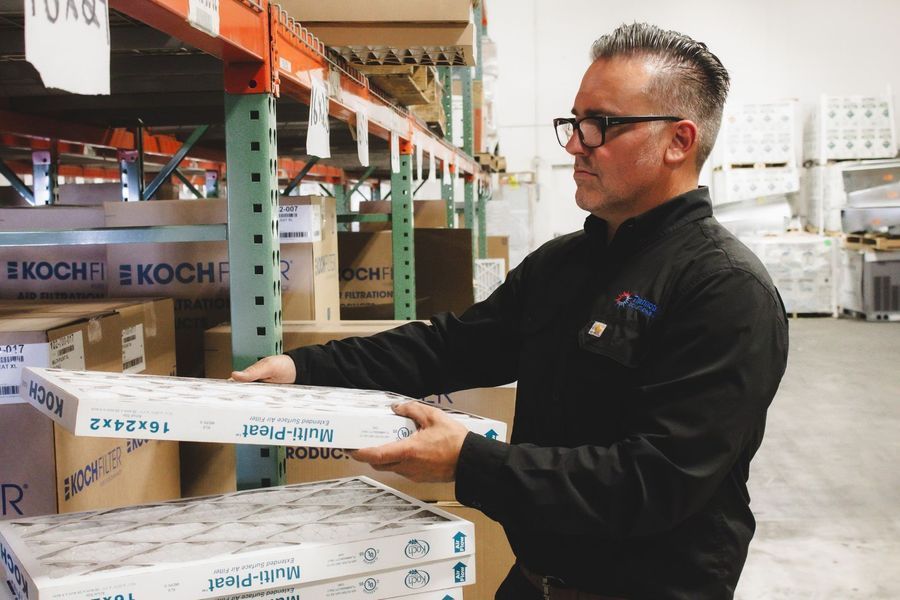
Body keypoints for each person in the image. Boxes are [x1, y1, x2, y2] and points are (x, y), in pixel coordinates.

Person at [233, 22, 789, 600]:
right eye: (573, 123)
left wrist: (469, 463)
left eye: (601, 124)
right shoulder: (567, 263)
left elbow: (655, 481)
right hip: (532, 582)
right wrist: (304, 369)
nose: (576, 143)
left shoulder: (725, 289)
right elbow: (452, 346)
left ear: (678, 140)